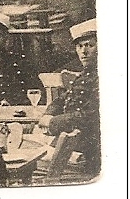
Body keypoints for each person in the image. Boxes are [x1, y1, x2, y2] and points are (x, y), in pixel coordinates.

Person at [38, 19, 100, 177]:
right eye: (80, 46)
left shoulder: (101, 77)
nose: (84, 51)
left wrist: (52, 122)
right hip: (70, 140)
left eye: (89, 45)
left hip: (86, 150)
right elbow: (63, 98)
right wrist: (48, 114)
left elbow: (89, 116)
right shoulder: (85, 75)